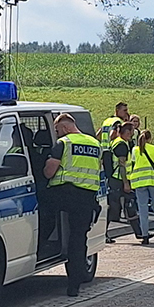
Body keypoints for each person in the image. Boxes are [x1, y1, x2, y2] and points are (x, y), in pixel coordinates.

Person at [44, 114, 102, 296]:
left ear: (66, 127)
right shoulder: (95, 144)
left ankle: (43, 243)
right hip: (87, 197)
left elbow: (49, 172)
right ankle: (74, 285)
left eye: (57, 130)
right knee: (78, 240)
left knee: (45, 213)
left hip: (64, 194)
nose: (57, 134)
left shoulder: (64, 143)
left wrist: (45, 164)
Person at [125, 127, 154, 244]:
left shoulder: (135, 150)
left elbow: (131, 165)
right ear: (150, 139)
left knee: (143, 209)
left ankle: (145, 236)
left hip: (139, 182)